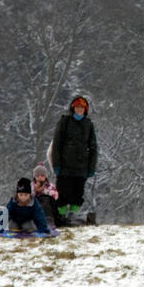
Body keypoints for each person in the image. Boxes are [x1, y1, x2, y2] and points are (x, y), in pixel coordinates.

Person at [51, 95, 98, 226]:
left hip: (82, 167)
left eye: (82, 107)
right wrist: (56, 164)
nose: (79, 109)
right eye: (77, 107)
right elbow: (57, 144)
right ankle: (60, 218)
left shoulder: (89, 125)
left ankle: (72, 217)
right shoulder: (64, 122)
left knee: (77, 195)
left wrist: (91, 167)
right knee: (63, 194)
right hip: (65, 166)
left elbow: (93, 147)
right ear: (73, 108)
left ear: (85, 109)